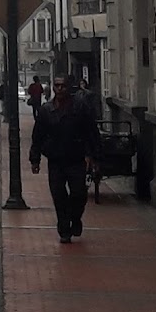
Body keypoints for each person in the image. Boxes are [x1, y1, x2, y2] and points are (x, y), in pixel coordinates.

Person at [29, 75, 101, 243]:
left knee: (79, 194)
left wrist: (94, 156)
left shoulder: (80, 108)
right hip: (56, 160)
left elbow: (91, 132)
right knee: (59, 196)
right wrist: (35, 159)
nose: (60, 89)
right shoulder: (46, 110)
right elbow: (37, 136)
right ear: (53, 88)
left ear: (69, 88)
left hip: (76, 158)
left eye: (63, 86)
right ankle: (64, 229)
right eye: (57, 86)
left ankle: (75, 219)